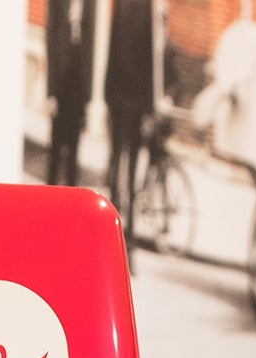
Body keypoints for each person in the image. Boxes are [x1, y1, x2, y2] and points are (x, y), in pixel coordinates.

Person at [106, 0, 158, 258]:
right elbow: (111, 48)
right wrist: (107, 96)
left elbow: (150, 58)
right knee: (115, 166)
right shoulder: (120, 5)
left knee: (133, 171)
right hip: (118, 99)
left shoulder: (146, 6)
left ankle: (131, 238)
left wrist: (148, 108)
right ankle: (111, 233)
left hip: (137, 103)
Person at [45, 0, 93, 188]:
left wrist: (88, 95)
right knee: (56, 149)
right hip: (60, 85)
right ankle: (48, 200)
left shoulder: (90, 4)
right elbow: (50, 41)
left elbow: (91, 44)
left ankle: (70, 200)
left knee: (74, 149)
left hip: (78, 87)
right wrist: (50, 93)